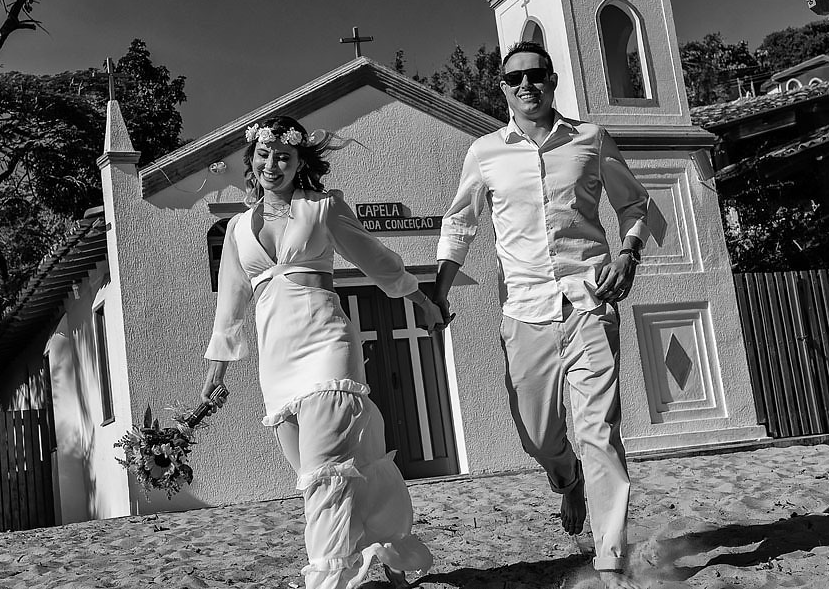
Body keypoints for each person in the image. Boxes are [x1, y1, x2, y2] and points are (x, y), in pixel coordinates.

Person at [432, 41, 660, 589]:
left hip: (589, 301)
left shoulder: (590, 139)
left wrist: (628, 250)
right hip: (525, 313)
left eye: (536, 75)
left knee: (599, 430)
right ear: (503, 89)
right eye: (515, 79)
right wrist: (440, 288)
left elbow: (635, 204)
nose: (526, 85)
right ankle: (567, 479)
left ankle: (611, 559)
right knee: (537, 436)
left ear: (552, 80)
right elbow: (461, 221)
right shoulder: (485, 152)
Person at [202, 115, 440, 589]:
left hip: (326, 346)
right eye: (264, 155)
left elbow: (375, 258)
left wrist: (422, 301)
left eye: (284, 157)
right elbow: (230, 307)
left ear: (298, 162)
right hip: (277, 363)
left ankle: (327, 581)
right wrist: (216, 372)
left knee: (326, 476)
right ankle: (387, 554)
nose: (274, 164)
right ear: (251, 161)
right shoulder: (235, 231)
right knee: (327, 472)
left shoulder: (322, 207)